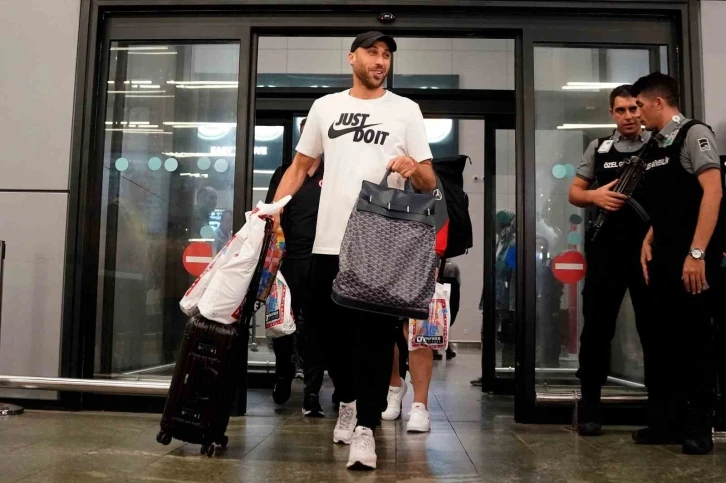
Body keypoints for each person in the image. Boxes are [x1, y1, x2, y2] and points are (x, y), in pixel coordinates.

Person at [271, 31, 436, 470]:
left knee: (375, 340)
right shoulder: (325, 107)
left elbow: (429, 181)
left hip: (379, 244)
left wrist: (413, 167)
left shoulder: (405, 110)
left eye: (386, 56)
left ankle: (366, 428)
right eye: (372, 53)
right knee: (324, 333)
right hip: (329, 241)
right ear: (352, 58)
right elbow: (301, 166)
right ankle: (346, 398)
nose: (380, 61)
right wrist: (275, 208)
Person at [632, 72, 723, 455]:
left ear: (658, 102)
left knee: (695, 341)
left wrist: (697, 253)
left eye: (639, 105)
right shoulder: (654, 146)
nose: (636, 113)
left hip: (692, 260)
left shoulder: (694, 134)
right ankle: (665, 423)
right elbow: (670, 203)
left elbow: (713, 192)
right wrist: (649, 238)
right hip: (664, 259)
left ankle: (699, 428)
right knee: (661, 341)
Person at [567, 85, 652, 436]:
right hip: (606, 250)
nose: (629, 116)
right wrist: (596, 197)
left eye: (634, 108)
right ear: (612, 113)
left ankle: (662, 412)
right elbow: (574, 192)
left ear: (642, 109)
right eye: (621, 110)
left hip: (649, 252)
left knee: (654, 329)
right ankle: (590, 406)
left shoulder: (658, 145)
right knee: (597, 330)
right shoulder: (599, 148)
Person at [264, 118, 325, 413]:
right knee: (283, 325)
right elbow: (270, 213)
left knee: (316, 328)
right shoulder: (284, 174)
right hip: (288, 262)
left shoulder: (332, 174)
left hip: (322, 261)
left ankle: (312, 392)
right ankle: (283, 372)